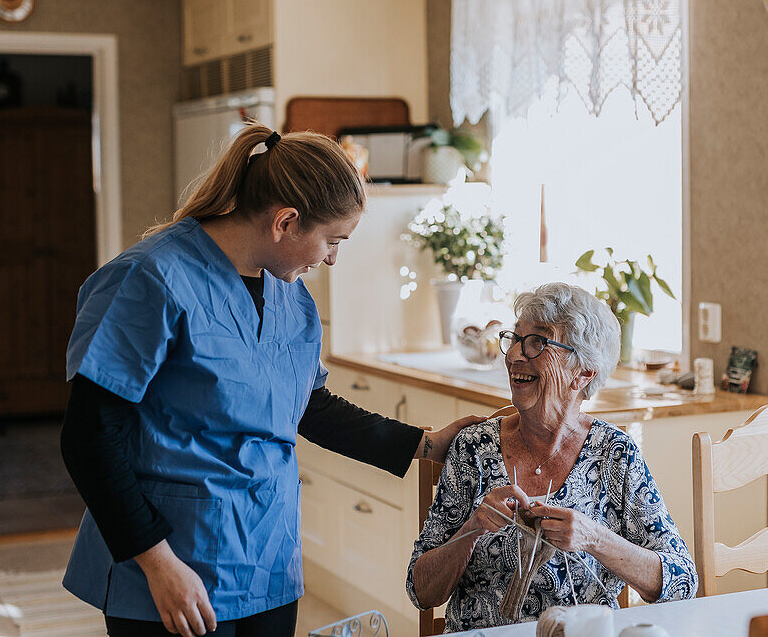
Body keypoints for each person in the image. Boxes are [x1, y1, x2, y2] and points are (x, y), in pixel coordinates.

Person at [60, 124, 480, 637]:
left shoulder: (289, 296)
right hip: (170, 558)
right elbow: (89, 438)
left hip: (266, 556)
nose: (331, 258)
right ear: (285, 221)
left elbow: (308, 406)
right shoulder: (151, 279)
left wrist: (426, 444)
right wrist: (158, 564)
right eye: (332, 240)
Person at [407, 283, 697, 631]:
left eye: (537, 342)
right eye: (514, 339)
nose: (515, 355)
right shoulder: (474, 448)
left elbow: (682, 582)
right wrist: (472, 529)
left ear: (583, 373)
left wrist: (595, 538)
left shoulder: (614, 454)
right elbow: (420, 590)